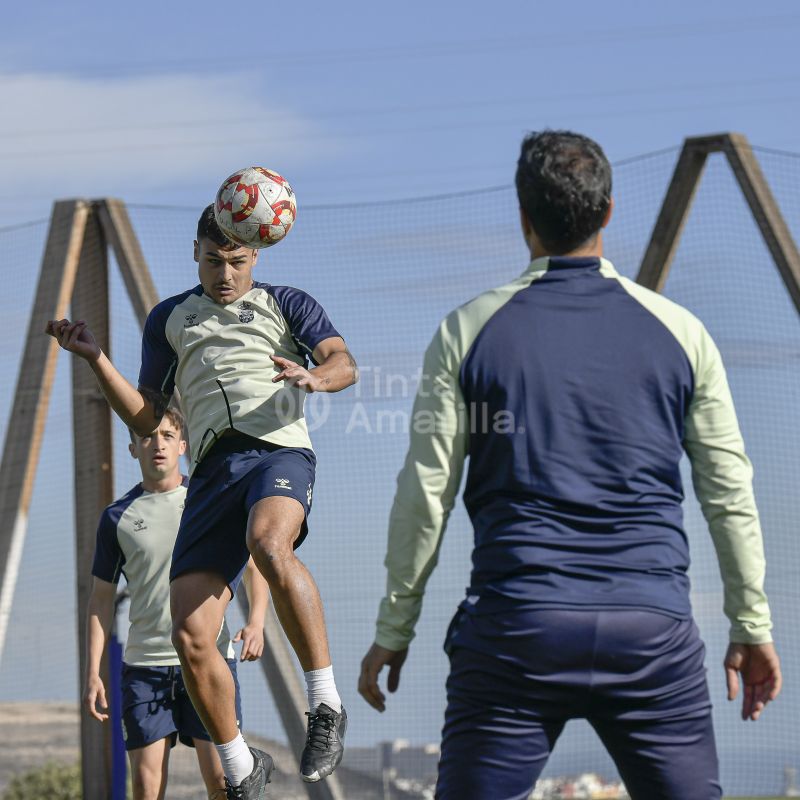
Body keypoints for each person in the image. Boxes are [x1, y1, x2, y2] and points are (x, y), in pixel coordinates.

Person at [358, 130, 782, 800]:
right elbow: (729, 492)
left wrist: (393, 629)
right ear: (609, 211)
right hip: (651, 635)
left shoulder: (466, 331)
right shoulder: (683, 332)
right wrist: (751, 625)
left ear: (523, 216)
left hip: (516, 629)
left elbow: (425, 494)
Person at [48, 205, 358, 799]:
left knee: (269, 543)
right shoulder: (169, 318)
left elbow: (343, 363)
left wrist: (316, 379)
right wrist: (94, 359)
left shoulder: (287, 303)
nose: (224, 274)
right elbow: (145, 412)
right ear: (195, 253)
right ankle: (241, 764)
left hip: (276, 453)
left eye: (237, 262)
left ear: (255, 257)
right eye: (214, 261)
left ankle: (324, 704)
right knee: (189, 631)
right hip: (212, 473)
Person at [85, 407, 268, 800]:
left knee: (224, 784)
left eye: (168, 435)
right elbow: (100, 600)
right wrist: (94, 672)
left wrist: (256, 622)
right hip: (145, 668)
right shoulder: (116, 518)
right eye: (148, 437)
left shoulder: (208, 503)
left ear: (183, 445)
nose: (158, 444)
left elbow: (253, 568)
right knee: (147, 789)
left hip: (210, 658)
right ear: (133, 448)